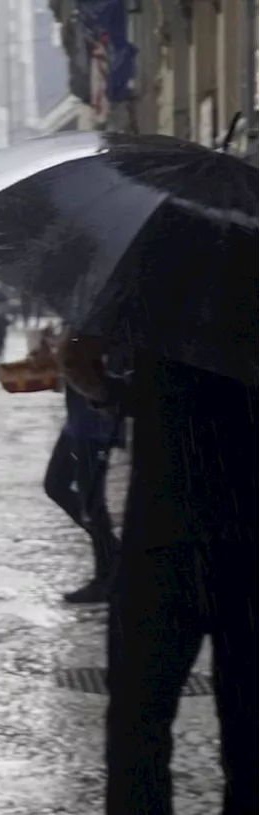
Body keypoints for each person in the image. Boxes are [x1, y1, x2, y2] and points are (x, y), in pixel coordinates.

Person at [57, 336, 260, 814]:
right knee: (252, 731)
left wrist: (118, 395)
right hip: (251, 537)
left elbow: (77, 356)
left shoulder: (156, 277)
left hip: (165, 530)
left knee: (137, 727)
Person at [42, 379, 119, 604]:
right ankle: (113, 549)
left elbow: (87, 366)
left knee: (92, 502)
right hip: (76, 423)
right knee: (55, 484)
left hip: (95, 427)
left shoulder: (94, 343)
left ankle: (106, 578)